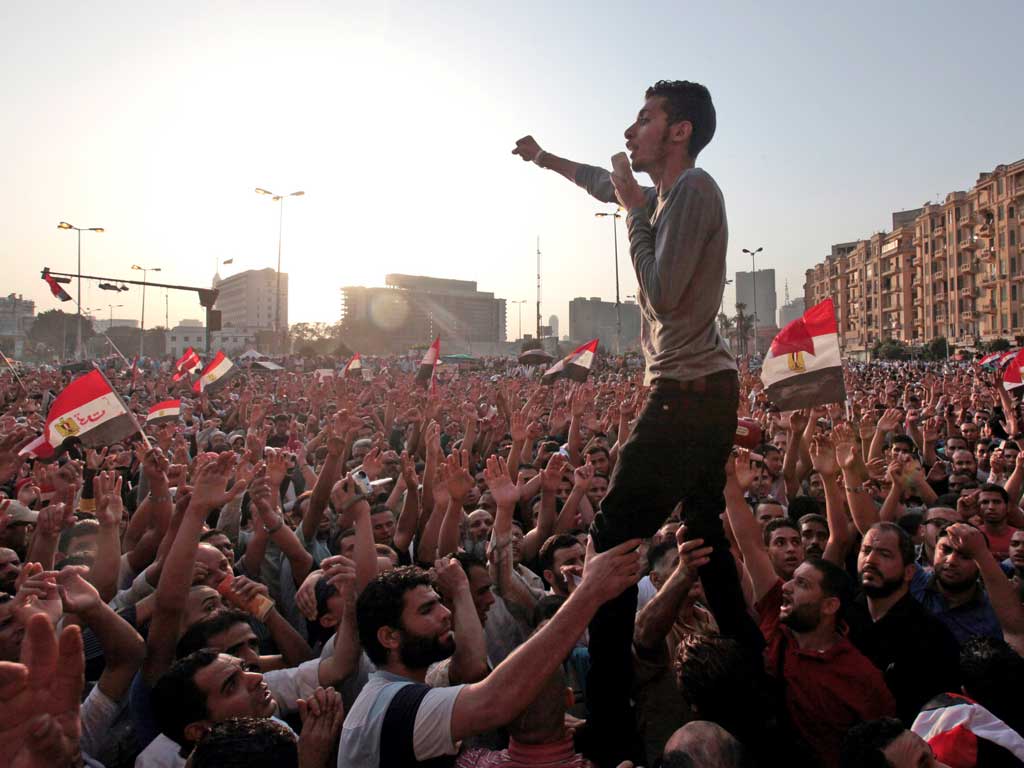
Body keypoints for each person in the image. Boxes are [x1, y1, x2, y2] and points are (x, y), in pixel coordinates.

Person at [514, 80, 758, 764]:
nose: (629, 131)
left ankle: (613, 718)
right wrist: (547, 160)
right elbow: (605, 181)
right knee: (704, 527)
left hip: (683, 391)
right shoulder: (669, 197)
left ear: (677, 132)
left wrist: (629, 212)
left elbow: (662, 289)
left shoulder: (695, 190)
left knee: (614, 540)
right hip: (701, 389)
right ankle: (753, 674)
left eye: (643, 119)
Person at [337, 537, 642, 767]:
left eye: (440, 602)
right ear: (390, 637)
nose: (445, 613)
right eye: (427, 609)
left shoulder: (399, 694)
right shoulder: (393, 706)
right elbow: (497, 699)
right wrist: (590, 592)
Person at [846, 523, 961, 724]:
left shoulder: (931, 635)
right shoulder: (842, 615)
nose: (870, 560)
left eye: (885, 554)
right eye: (866, 550)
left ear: (909, 572)